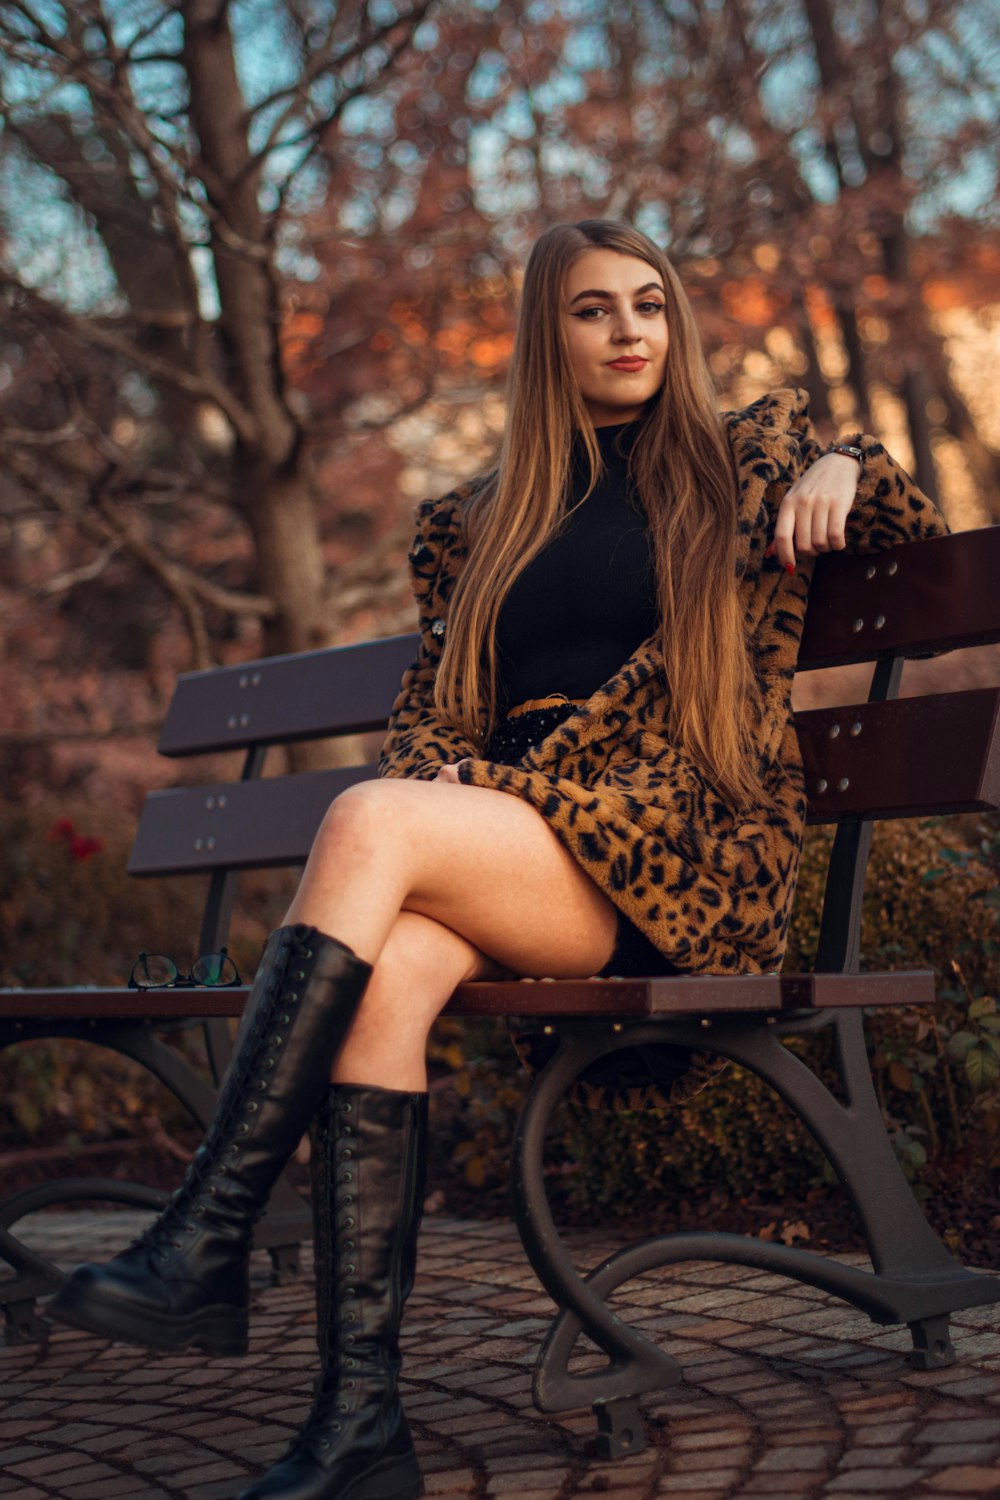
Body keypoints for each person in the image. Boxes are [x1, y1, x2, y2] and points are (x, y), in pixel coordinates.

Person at [46, 219, 948, 1500]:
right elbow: (431, 725)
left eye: (648, 303)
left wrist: (848, 464)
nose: (630, 329)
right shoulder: (485, 524)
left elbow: (915, 524)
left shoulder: (744, 456)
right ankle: (358, 1426)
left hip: (676, 849)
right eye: (592, 310)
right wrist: (457, 784)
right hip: (522, 840)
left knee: (370, 819)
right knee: (394, 968)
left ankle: (203, 1239)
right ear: (547, 333)